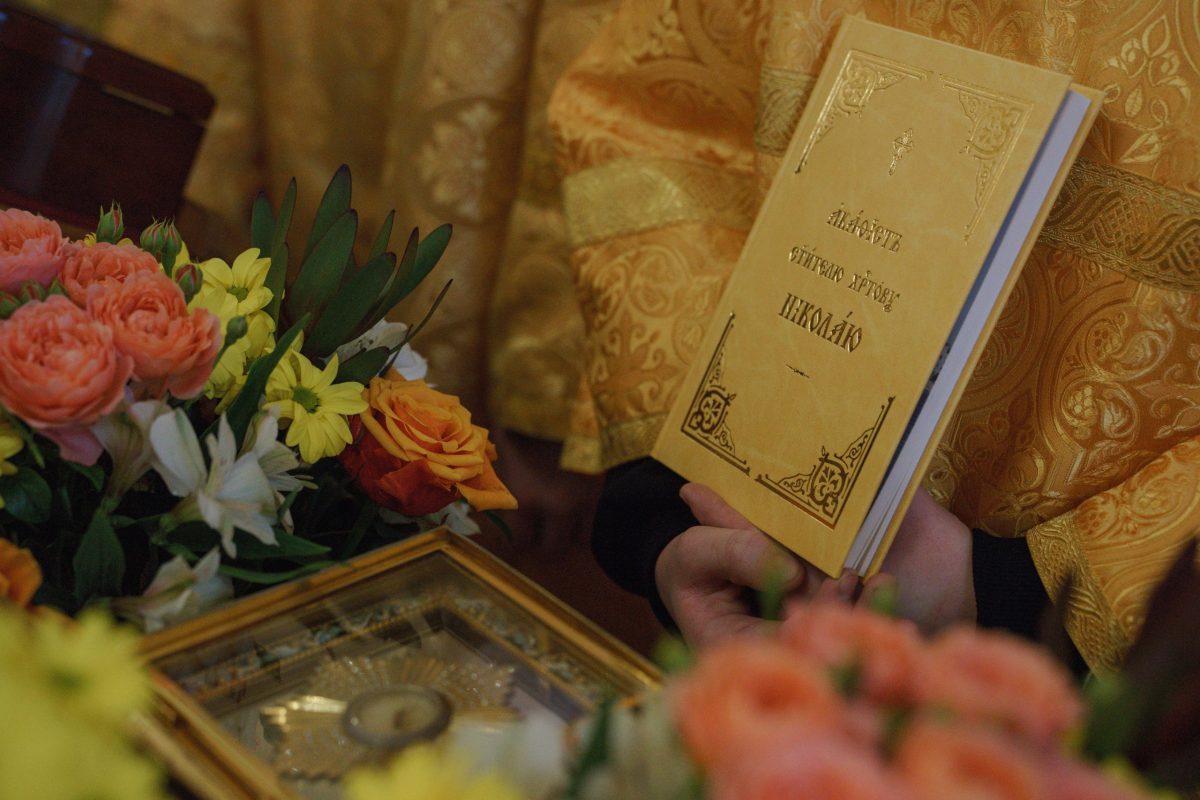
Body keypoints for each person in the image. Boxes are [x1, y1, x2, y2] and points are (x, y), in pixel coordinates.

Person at [547, 0, 1200, 672]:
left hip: (1087, 686)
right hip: (736, 577)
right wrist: (674, 517)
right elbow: (655, 111)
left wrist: (1013, 591)